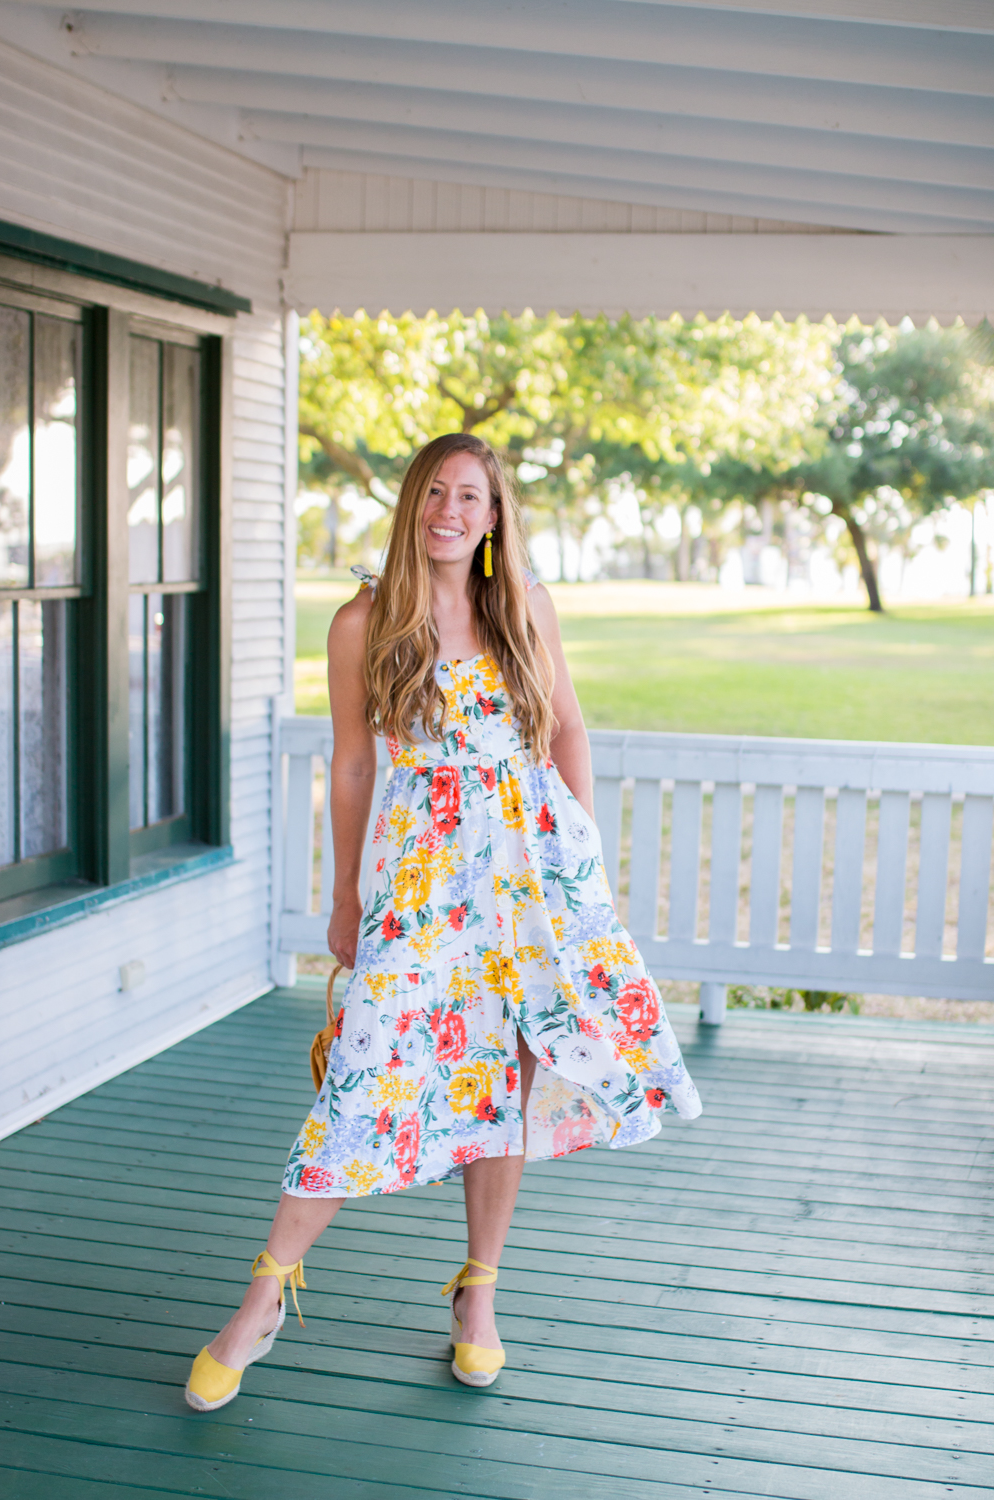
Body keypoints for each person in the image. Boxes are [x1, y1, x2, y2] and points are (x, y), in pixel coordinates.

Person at [186, 432, 701, 1410]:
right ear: (410, 506)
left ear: (495, 514)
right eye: (433, 492)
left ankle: (479, 1295)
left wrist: (579, 867)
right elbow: (349, 764)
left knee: (503, 1075)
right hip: (420, 882)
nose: (449, 512)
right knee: (363, 1071)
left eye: (470, 496)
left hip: (528, 874)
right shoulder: (364, 620)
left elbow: (566, 731)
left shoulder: (524, 607)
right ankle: (263, 1296)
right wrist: (344, 895)